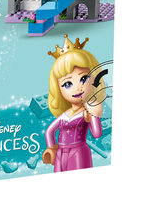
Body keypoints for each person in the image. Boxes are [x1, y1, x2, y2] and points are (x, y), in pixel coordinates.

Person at [42, 34, 104, 172]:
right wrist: (52, 148)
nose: (77, 88)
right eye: (67, 84)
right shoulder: (64, 115)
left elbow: (96, 133)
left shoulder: (86, 112)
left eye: (83, 79)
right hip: (60, 154)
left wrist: (94, 114)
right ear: (58, 88)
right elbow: (50, 131)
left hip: (78, 152)